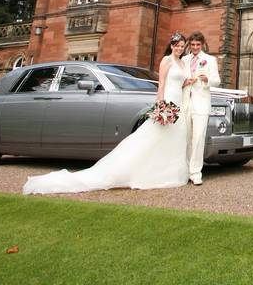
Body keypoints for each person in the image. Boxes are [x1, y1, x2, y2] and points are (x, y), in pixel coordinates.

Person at [22, 33, 191, 194]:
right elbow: (161, 84)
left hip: (179, 104)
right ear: (171, 46)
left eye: (182, 46)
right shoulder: (166, 61)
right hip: (168, 102)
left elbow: (179, 82)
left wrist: (190, 81)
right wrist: (160, 104)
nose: (179, 48)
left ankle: (168, 173)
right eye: (177, 46)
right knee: (151, 138)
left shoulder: (182, 63)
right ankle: (132, 172)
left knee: (173, 138)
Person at [182, 31, 221, 186]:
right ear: (189, 45)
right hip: (185, 102)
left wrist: (207, 80)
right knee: (186, 138)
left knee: (198, 138)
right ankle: (185, 171)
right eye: (193, 45)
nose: (195, 47)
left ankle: (196, 173)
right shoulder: (184, 60)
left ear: (202, 44)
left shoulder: (210, 60)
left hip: (201, 103)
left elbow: (217, 80)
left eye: (198, 45)